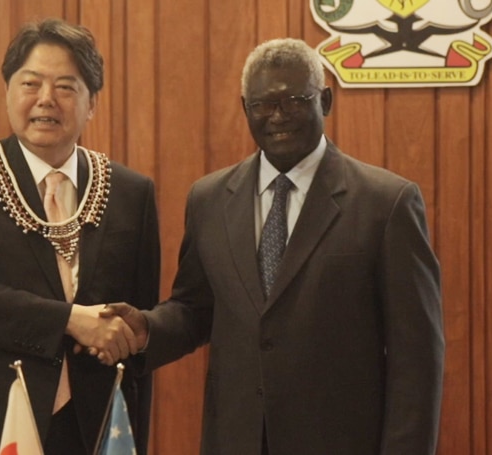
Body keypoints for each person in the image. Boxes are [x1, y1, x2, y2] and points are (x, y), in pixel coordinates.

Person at [101, 38, 444, 455]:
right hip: (236, 441)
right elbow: (195, 309)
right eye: (262, 104)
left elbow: (417, 359)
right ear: (245, 108)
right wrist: (147, 329)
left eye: (295, 100)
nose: (278, 116)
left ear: (326, 100)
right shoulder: (208, 199)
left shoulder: (385, 204)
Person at [0, 18, 160, 455]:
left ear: (91, 102)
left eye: (65, 87)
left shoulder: (131, 191)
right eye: (30, 83)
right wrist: (70, 320)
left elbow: (136, 324)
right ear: (8, 90)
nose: (45, 100)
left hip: (91, 423)